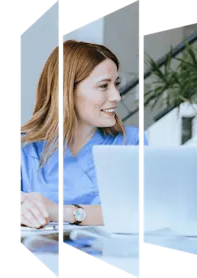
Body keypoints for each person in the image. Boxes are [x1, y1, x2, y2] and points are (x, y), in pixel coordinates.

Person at [19, 40, 148, 228]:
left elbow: (138, 213)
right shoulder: (24, 146)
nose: (116, 96)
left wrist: (62, 212)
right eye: (104, 86)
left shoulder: (131, 141)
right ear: (67, 91)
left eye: (116, 84)